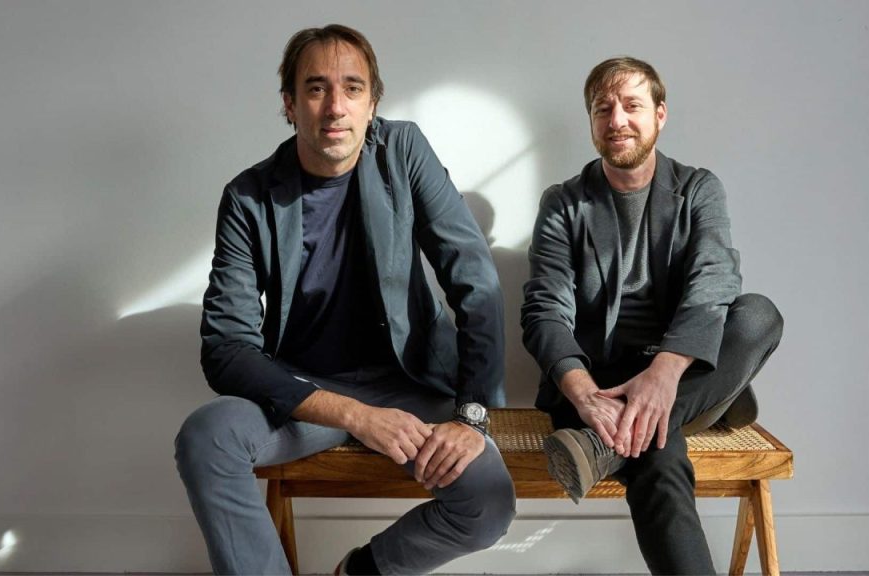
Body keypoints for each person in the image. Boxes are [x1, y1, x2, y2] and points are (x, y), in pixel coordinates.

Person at [174, 24, 515, 576]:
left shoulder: (403, 151)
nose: (335, 107)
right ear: (289, 105)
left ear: (372, 102)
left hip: (412, 386)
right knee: (207, 437)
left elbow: (474, 280)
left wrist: (472, 415)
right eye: (316, 88)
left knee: (488, 502)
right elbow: (226, 350)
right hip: (307, 395)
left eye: (352, 88)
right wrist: (356, 416)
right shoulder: (248, 197)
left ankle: (361, 571)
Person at [521, 56, 783, 574]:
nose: (616, 119)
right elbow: (545, 309)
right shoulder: (564, 203)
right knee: (660, 465)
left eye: (632, 105)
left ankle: (605, 447)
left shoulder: (698, 188)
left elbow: (714, 282)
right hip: (599, 385)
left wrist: (663, 374)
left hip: (680, 370)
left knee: (758, 315)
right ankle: (671, 413)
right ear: (591, 121)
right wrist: (584, 395)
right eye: (603, 109)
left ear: (660, 114)